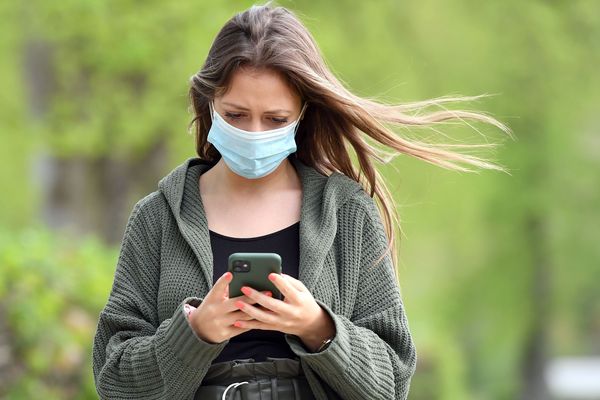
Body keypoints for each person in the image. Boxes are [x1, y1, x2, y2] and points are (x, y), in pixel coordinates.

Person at [92, 2, 511, 399]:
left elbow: (392, 382)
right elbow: (113, 380)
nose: (255, 134)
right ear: (209, 105)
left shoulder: (347, 212)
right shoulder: (158, 217)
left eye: (275, 119)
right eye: (236, 115)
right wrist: (195, 332)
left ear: (303, 114)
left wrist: (317, 327)